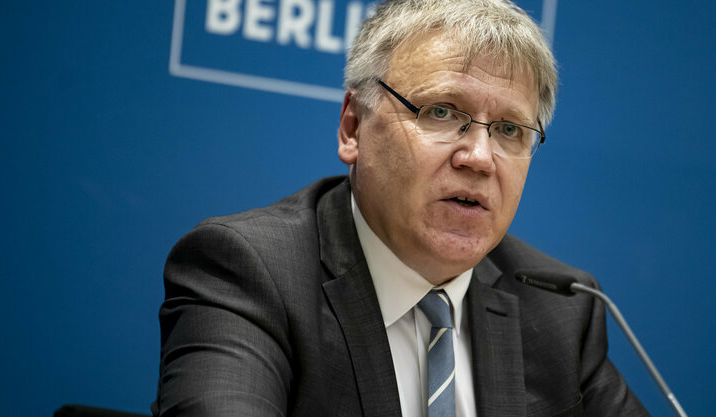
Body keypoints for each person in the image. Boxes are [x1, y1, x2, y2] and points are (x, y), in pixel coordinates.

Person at [154, 0, 649, 416]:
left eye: (509, 130)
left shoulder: (562, 307)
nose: (478, 157)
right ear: (353, 127)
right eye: (440, 112)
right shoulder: (249, 272)